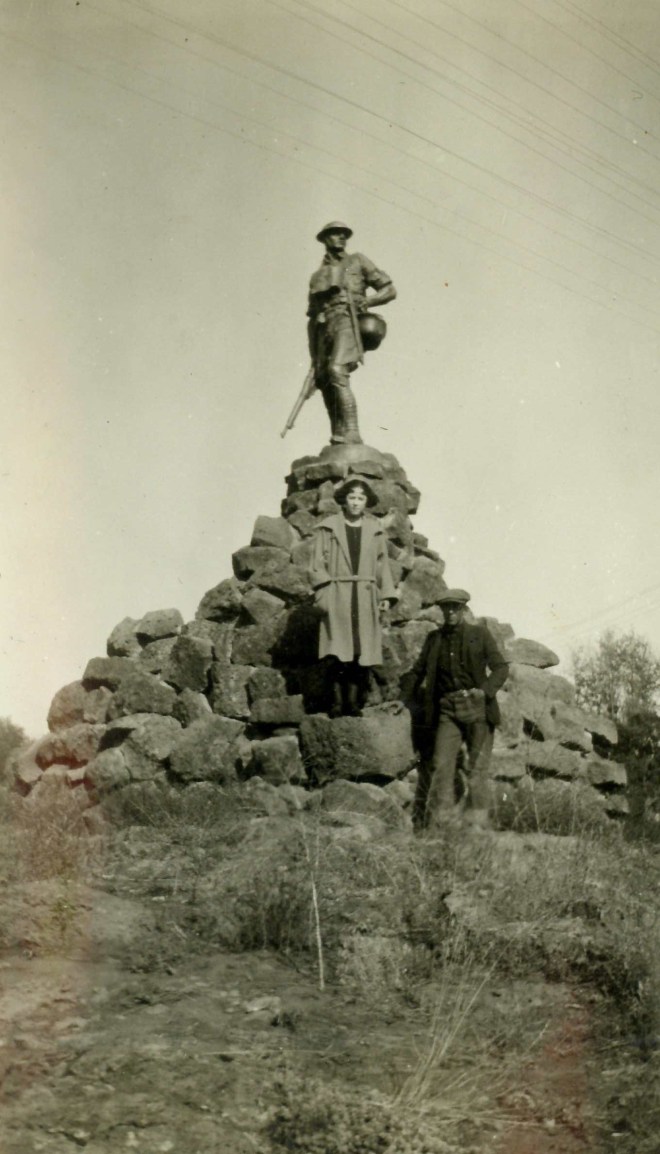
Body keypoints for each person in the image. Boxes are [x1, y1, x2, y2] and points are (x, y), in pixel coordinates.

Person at [411, 589, 508, 831]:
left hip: (477, 706)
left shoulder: (480, 634)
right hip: (447, 709)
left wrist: (484, 691)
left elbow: (500, 668)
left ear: (464, 610)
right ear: (442, 611)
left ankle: (476, 825)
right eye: (446, 608)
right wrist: (402, 699)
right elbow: (417, 671)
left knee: (477, 768)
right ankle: (442, 824)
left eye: (455, 608)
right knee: (441, 764)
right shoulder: (434, 639)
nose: (451, 612)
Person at [309, 477, 397, 716]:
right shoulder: (329, 527)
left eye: (361, 498)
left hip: (366, 594)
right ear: (344, 500)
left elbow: (382, 565)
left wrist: (385, 594)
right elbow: (316, 564)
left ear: (366, 502)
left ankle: (354, 702)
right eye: (352, 497)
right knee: (338, 650)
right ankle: (337, 703)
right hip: (338, 593)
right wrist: (324, 593)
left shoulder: (375, 530)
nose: (356, 503)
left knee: (361, 649)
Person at [307, 222, 396, 445]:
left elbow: (389, 290)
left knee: (337, 370)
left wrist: (367, 301)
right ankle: (339, 434)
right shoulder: (317, 276)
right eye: (335, 234)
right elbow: (312, 317)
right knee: (324, 378)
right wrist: (314, 357)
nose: (341, 238)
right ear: (325, 239)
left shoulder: (357, 260)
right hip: (325, 326)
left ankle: (352, 431)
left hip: (349, 320)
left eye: (343, 235)